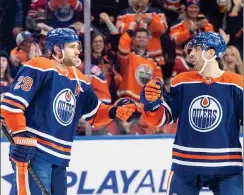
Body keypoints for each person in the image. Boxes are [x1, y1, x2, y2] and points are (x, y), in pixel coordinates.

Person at [0, 28, 137, 195]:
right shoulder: (39, 66)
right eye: (72, 46)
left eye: (78, 46)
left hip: (61, 157)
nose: (78, 50)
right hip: (35, 151)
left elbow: (94, 114)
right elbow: (12, 105)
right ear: (57, 48)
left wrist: (113, 111)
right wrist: (21, 135)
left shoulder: (80, 78)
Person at [140, 32, 243, 194]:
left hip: (227, 168)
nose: (191, 54)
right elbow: (162, 118)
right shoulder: (182, 81)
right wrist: (152, 106)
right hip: (185, 166)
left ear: (210, 53)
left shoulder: (237, 84)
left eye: (195, 49)